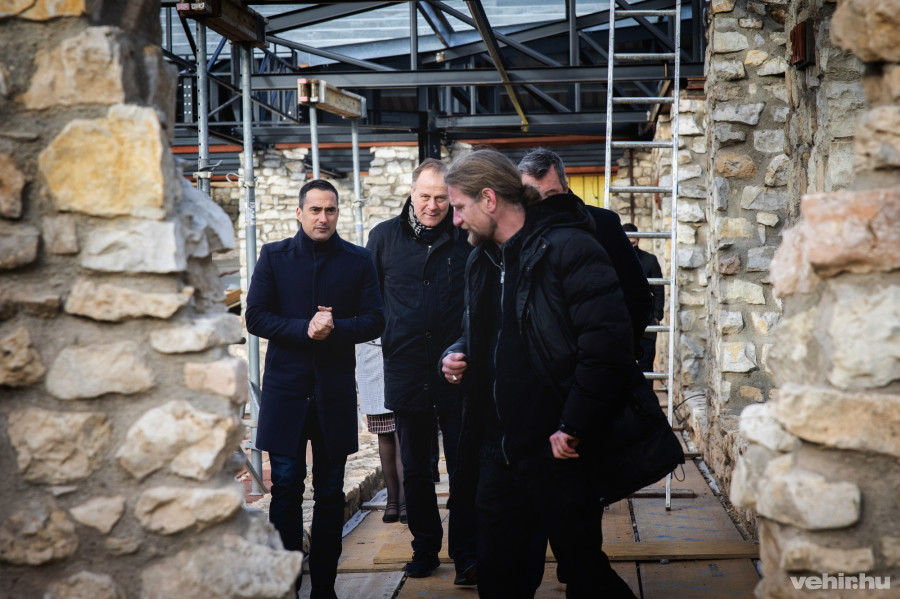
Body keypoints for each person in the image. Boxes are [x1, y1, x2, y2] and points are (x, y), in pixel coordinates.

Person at [441, 149, 638, 598]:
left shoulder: (568, 248)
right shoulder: (481, 259)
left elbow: (607, 346)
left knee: (586, 574)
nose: (455, 220)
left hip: (559, 451)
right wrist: (454, 354)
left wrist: (574, 424)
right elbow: (477, 333)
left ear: (489, 199)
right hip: (498, 453)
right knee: (499, 580)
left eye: (459, 207)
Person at [245, 179, 385, 599]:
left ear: (337, 212)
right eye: (315, 210)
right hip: (285, 393)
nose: (323, 218)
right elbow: (255, 316)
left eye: (330, 210)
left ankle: (324, 587)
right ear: (299, 212)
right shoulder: (274, 256)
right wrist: (304, 328)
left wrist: (334, 328)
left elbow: (376, 319)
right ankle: (287, 584)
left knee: (329, 494)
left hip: (333, 394)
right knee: (286, 490)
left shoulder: (358, 260)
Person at [366, 158, 478, 585]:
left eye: (441, 198)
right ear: (411, 193)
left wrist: (466, 348)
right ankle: (425, 548)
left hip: (457, 370)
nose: (432, 206)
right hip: (406, 369)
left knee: (465, 465)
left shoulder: (467, 237)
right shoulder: (383, 238)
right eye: (425, 196)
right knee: (414, 468)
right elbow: (371, 299)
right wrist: (392, 335)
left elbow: (478, 300)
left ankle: (467, 554)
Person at [517, 147, 651, 353]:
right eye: (533, 197)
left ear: (565, 187)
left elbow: (637, 294)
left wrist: (618, 352)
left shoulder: (604, 224)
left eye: (551, 195)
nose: (542, 205)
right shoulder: (515, 233)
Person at [356, 338, 406, 523]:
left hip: (401, 352)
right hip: (373, 359)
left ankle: (403, 501)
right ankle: (393, 500)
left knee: (401, 434)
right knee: (385, 434)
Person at [623, 222, 665, 375]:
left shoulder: (650, 260)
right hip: (623, 319)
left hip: (646, 320)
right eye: (627, 241)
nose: (630, 245)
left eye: (633, 242)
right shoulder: (615, 260)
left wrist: (657, 315)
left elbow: (658, 289)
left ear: (638, 239)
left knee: (646, 366)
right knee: (621, 366)